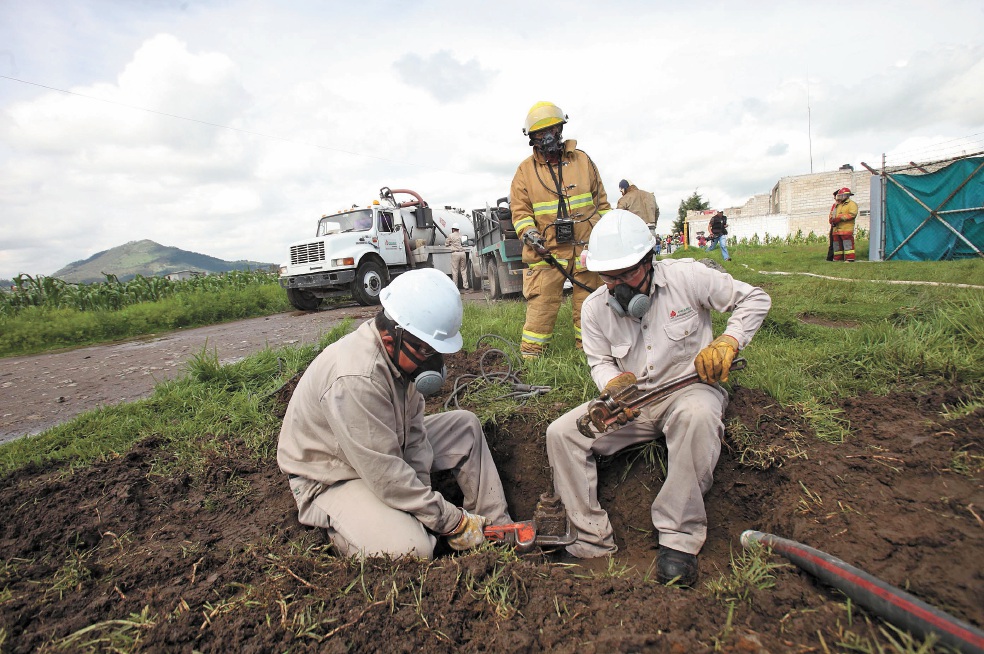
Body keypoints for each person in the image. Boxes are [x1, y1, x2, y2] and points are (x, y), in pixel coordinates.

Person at [545, 210, 771, 586]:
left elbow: (755, 299)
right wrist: (613, 385)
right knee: (561, 433)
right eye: (608, 277)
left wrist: (729, 341)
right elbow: (599, 359)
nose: (618, 286)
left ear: (649, 260)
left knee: (698, 415)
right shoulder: (594, 309)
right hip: (634, 404)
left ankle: (679, 539)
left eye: (627, 274)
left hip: (688, 391)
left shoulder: (689, 278)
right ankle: (590, 539)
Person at [277, 268, 511, 559]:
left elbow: (414, 438)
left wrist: (430, 509)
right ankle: (346, 525)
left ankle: (496, 530)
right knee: (413, 549)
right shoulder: (356, 379)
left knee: (464, 426)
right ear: (392, 341)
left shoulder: (400, 359)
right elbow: (385, 474)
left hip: (380, 449)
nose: (435, 364)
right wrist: (449, 521)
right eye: (428, 353)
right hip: (333, 474)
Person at [510, 101, 611, 359]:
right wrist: (530, 234)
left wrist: (605, 236)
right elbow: (520, 213)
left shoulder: (583, 161)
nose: (547, 138)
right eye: (540, 133)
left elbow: (602, 204)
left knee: (590, 304)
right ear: (531, 139)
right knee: (541, 305)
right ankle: (532, 358)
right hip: (547, 252)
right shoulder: (525, 171)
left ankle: (589, 353)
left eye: (552, 130)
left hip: (586, 250)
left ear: (560, 130)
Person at [829, 187, 858, 262]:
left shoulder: (852, 204)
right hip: (836, 229)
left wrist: (841, 218)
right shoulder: (837, 205)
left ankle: (850, 258)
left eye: (841, 196)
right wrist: (831, 219)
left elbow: (852, 214)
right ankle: (838, 258)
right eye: (839, 196)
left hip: (846, 229)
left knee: (847, 244)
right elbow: (832, 213)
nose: (840, 197)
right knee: (837, 245)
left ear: (847, 196)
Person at [445, 223, 469, 292]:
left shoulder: (450, 235)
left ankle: (455, 286)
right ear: (458, 229)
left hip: (455, 253)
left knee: (455, 270)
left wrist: (450, 244)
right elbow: (465, 244)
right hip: (462, 253)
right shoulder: (461, 236)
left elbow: (446, 244)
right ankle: (466, 286)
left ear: (453, 229)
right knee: (463, 270)